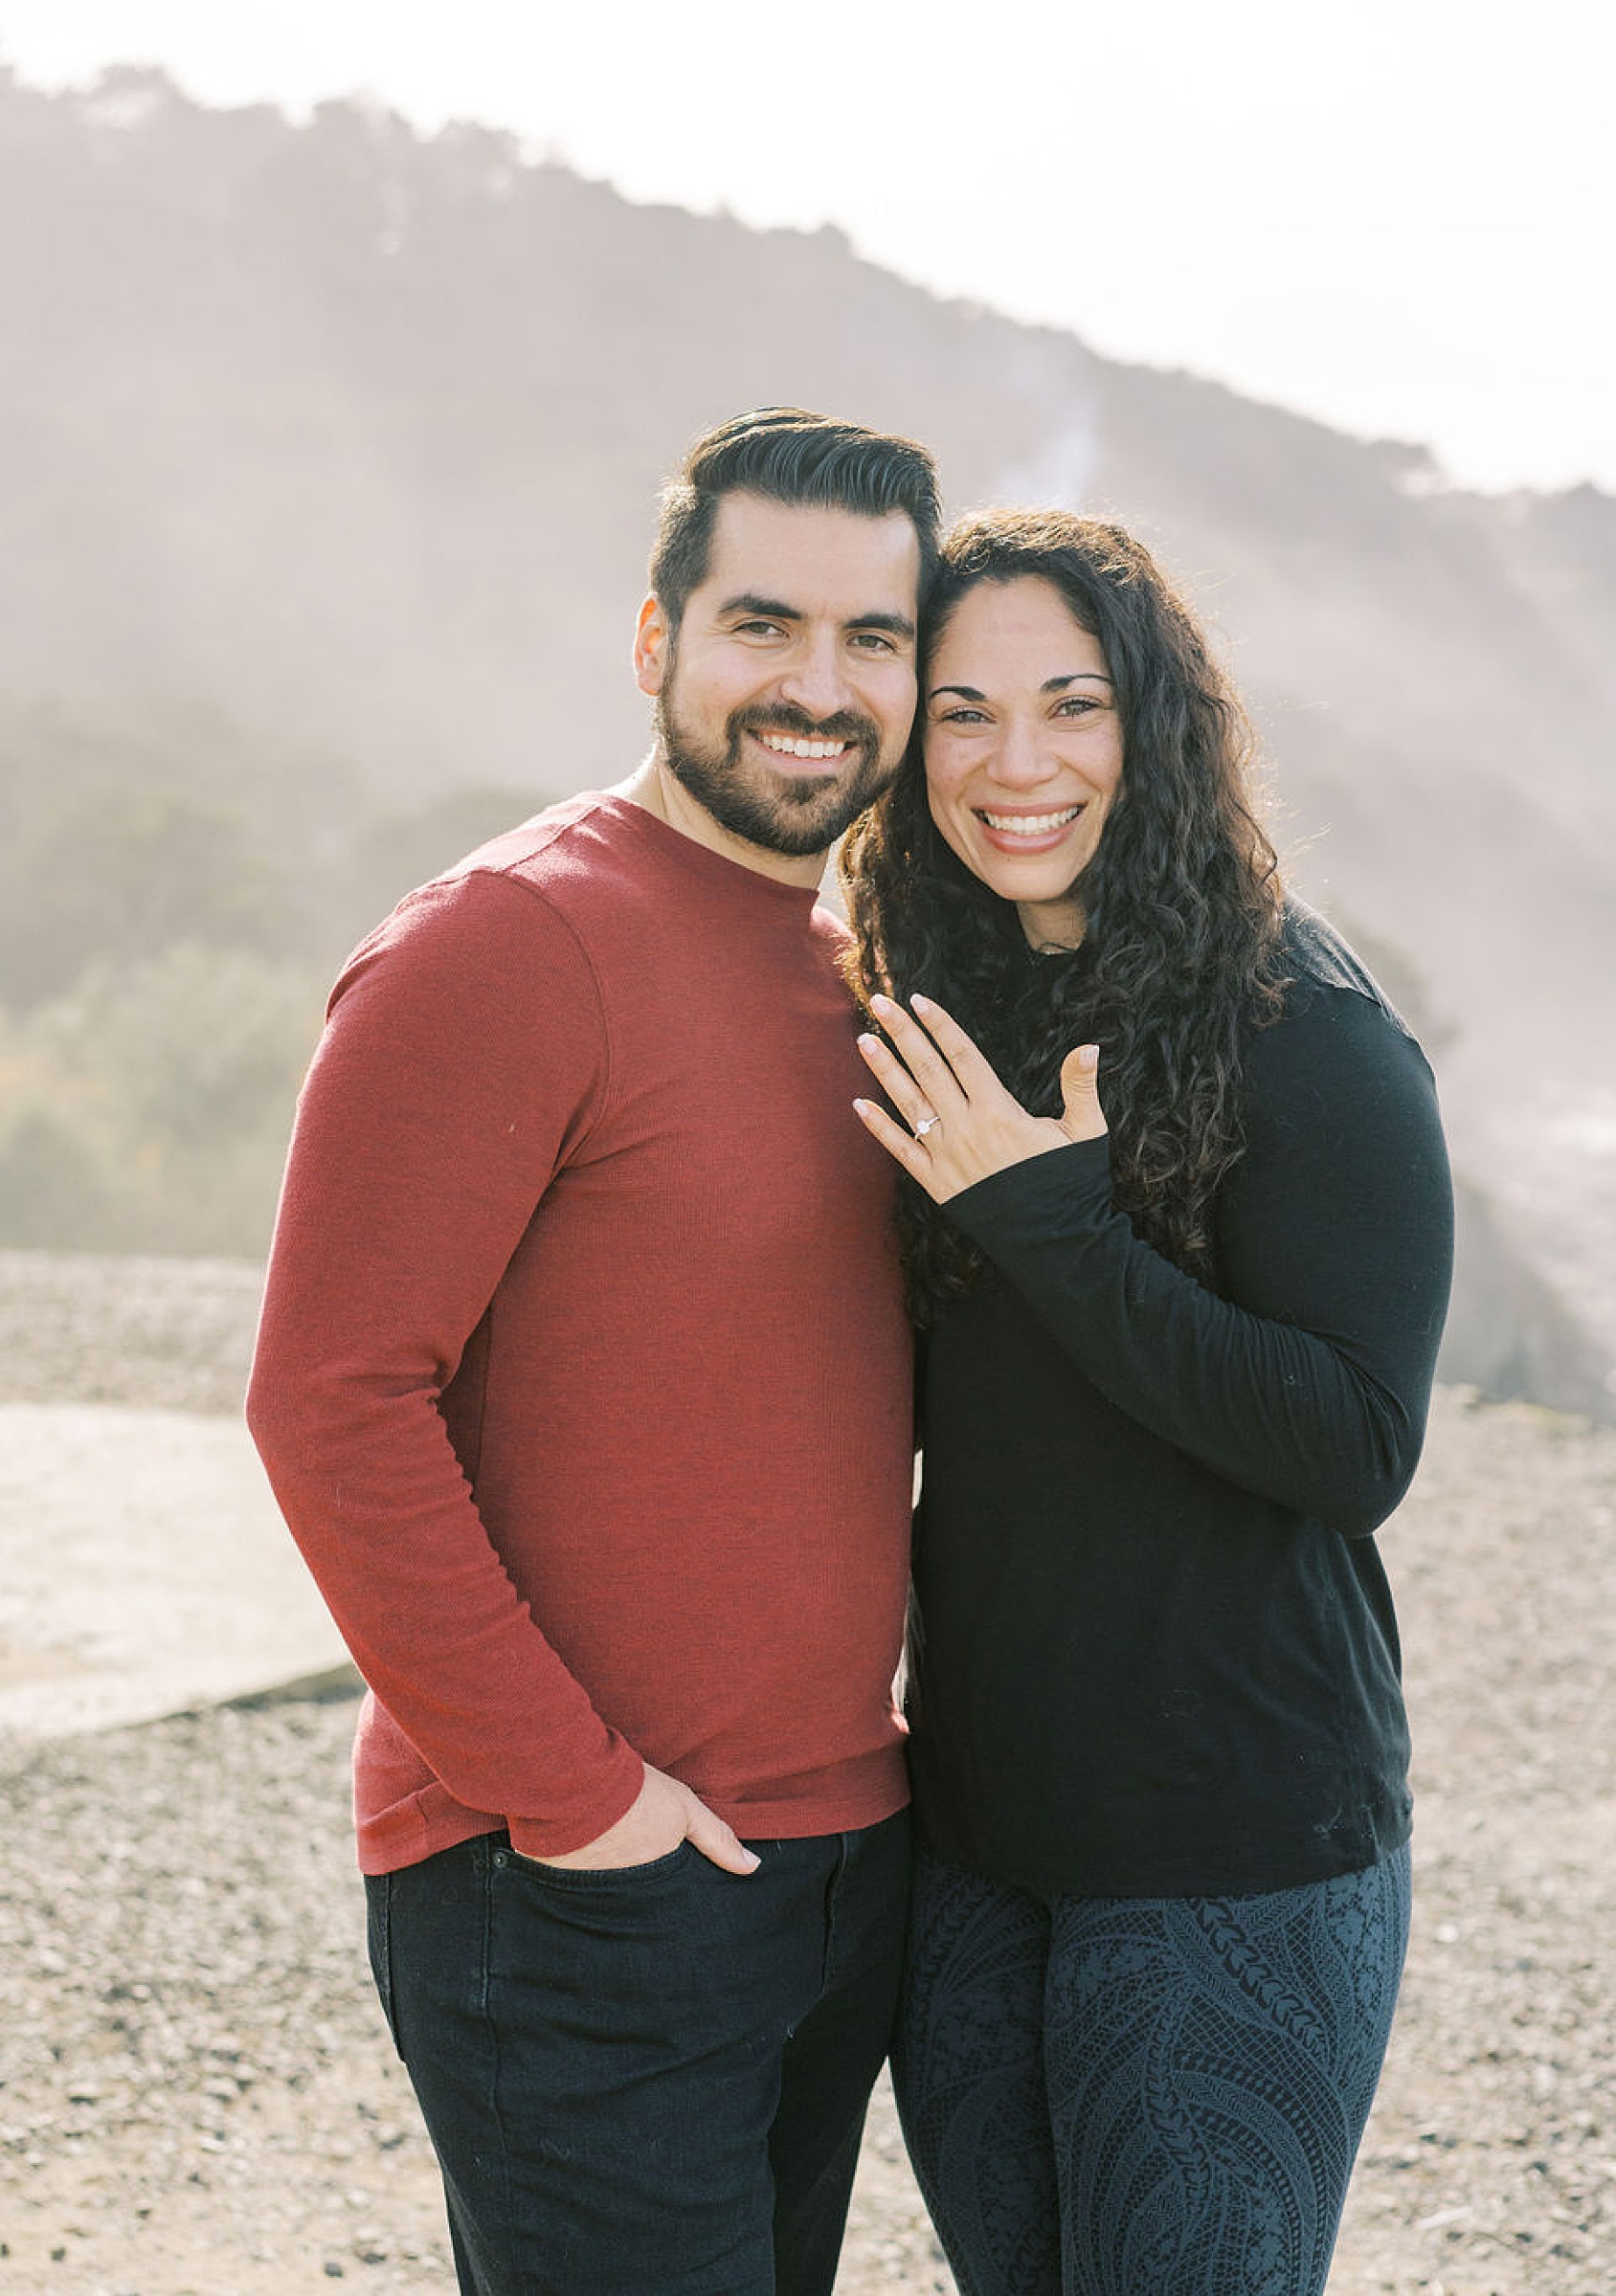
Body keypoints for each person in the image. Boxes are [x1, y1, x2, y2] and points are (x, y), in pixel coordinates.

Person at [245, 407, 942, 2296]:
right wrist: (582, 1804)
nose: (817, 686)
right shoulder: (503, 946)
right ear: (655, 644)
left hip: (836, 1859)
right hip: (572, 1885)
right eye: (761, 626)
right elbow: (329, 1400)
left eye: (873, 639)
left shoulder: (853, 966)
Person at [841, 508, 1454, 2296]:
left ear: (1157, 725)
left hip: (1232, 1849)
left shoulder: (1303, 1023)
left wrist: (1055, 1230)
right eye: (959, 712)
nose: (1012, 764)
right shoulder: (949, 999)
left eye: (1070, 705)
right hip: (975, 1840)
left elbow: (1356, 1445)